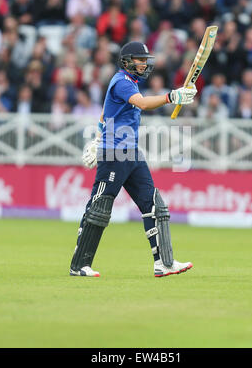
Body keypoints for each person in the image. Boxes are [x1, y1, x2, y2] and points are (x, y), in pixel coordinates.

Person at [69, 41, 197, 278]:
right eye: (140, 59)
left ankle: (163, 263)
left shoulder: (131, 84)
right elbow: (144, 103)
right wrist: (172, 96)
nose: (144, 63)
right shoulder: (122, 82)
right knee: (99, 208)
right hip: (115, 154)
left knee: (153, 205)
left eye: (145, 60)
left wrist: (98, 136)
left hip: (132, 153)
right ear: (127, 61)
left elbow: (105, 112)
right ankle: (79, 265)